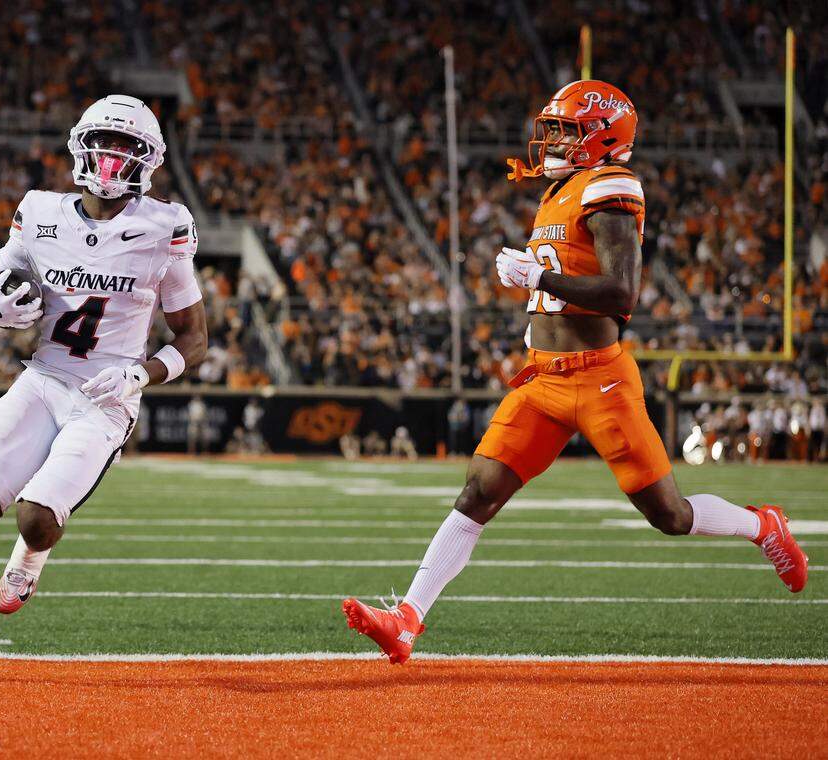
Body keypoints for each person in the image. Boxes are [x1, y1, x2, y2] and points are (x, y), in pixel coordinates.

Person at [342, 81, 810, 665]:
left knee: (670, 514)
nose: (552, 139)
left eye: (565, 128)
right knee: (478, 493)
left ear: (601, 136)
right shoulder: (559, 191)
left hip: (600, 378)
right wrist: (534, 314)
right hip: (542, 377)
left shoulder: (613, 185)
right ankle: (407, 618)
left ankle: (763, 525)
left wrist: (538, 280)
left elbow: (621, 290)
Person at [0, 95, 208, 685]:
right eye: (105, 141)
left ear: (147, 161)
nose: (111, 157)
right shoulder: (41, 211)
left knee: (36, 519)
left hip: (105, 395)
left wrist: (140, 373)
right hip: (43, 376)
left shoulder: (163, 226)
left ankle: (33, 554)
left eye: (127, 147)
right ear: (80, 144)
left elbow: (194, 338)